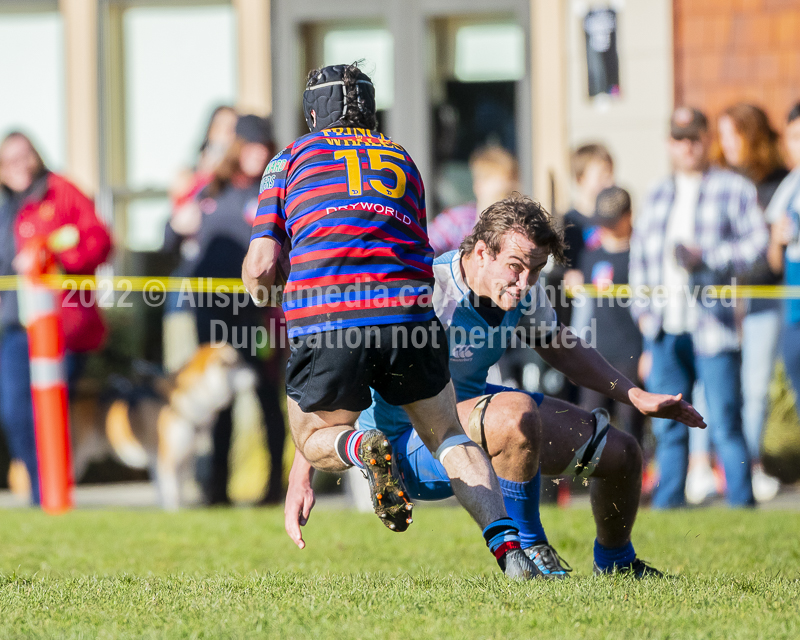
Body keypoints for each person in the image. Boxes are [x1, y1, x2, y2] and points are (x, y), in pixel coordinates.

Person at [284, 195, 705, 577]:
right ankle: (531, 550)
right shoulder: (428, 289)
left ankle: (617, 564)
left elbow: (563, 349)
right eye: (517, 267)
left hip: (474, 419)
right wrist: (302, 470)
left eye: (536, 270)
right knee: (514, 414)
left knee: (622, 455)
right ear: (481, 252)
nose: (525, 283)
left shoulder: (522, 290)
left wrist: (635, 395)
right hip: (406, 445)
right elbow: (344, 372)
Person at [242, 64, 540, 579]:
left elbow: (264, 263)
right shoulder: (401, 157)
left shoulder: (289, 158)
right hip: (410, 316)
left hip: (331, 316)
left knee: (313, 437)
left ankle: (361, 445)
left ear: (313, 113)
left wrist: (271, 297)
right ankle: (511, 553)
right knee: (449, 435)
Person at [629, 107, 769, 509]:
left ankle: (741, 504)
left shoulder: (734, 188)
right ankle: (668, 506)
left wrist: (706, 255)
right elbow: (640, 260)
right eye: (679, 138)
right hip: (664, 326)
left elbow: (757, 245)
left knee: (725, 419)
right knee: (669, 423)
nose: (687, 146)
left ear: (706, 139)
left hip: (714, 324)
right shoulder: (656, 192)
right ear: (669, 143)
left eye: (693, 137)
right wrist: (643, 314)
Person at [170, 114, 287, 505]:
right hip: (211, 312)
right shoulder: (210, 187)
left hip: (258, 314)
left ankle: (275, 488)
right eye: (252, 147)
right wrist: (179, 220)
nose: (259, 155)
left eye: (265, 148)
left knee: (267, 394)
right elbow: (169, 236)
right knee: (218, 400)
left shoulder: (272, 192)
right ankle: (216, 488)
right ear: (237, 147)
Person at [0, 131, 112, 505]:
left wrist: (54, 255)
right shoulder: (6, 205)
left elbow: (99, 239)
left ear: (36, 155)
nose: (18, 164)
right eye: (8, 159)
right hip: (16, 326)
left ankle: (54, 494)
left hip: (62, 326)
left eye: (24, 155)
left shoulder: (61, 190)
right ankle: (39, 493)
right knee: (15, 410)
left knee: (48, 410)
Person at [712, 103, 787, 502]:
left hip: (763, 297)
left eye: (731, 134)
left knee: (755, 386)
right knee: (717, 387)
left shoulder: (779, 183)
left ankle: (751, 465)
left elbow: (772, 256)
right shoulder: (720, 180)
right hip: (723, 298)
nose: (724, 144)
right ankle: (713, 467)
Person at [163, 105, 238, 373]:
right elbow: (172, 231)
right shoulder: (192, 176)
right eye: (220, 128)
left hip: (230, 288)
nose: (225, 136)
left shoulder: (241, 182)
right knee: (184, 366)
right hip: (189, 281)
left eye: (233, 129)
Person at [577, 186, 644, 444]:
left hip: (630, 351)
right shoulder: (592, 256)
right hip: (596, 350)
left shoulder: (638, 255)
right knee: (590, 417)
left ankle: (634, 477)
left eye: (612, 221)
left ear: (628, 216)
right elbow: (585, 308)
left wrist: (645, 352)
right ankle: (586, 478)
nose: (606, 227)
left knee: (630, 421)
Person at [766, 103, 800, 409]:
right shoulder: (788, 188)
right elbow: (775, 263)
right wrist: (776, 241)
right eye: (794, 137)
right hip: (794, 315)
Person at [427, 145, 518, 255]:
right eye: (501, 194)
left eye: (510, 194)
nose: (505, 203)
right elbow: (417, 251)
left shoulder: (518, 228)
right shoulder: (458, 221)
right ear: (478, 185)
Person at [562, 143, 615, 291]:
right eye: (601, 176)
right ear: (580, 178)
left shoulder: (614, 221)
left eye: (610, 174)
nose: (609, 182)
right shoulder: (569, 223)